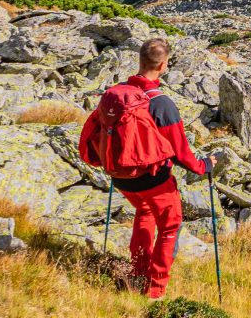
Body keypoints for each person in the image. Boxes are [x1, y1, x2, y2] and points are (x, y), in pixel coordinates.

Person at [79, 37, 216, 298]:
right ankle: (155, 290)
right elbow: (180, 152)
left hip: (121, 175)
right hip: (153, 178)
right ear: (163, 65)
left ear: (140, 60)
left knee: (144, 213)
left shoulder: (115, 94)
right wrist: (204, 166)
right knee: (169, 227)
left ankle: (138, 273)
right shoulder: (161, 104)